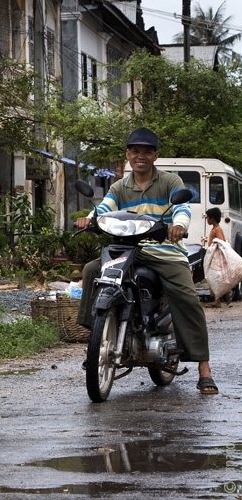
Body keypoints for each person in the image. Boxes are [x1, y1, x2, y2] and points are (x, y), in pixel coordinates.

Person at [75, 128, 219, 395]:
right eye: (135, 151)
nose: (140, 156)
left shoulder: (170, 182)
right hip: (128, 248)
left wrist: (178, 225)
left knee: (187, 297)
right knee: (92, 269)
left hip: (164, 251)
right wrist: (89, 219)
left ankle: (204, 369)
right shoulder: (120, 186)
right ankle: (94, 340)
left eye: (147, 152)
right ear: (128, 155)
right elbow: (104, 208)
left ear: (155, 155)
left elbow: (182, 209)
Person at [205, 207, 233, 308]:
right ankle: (224, 295)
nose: (207, 220)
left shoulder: (217, 230)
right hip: (214, 257)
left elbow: (221, 242)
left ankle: (222, 296)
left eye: (208, 218)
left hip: (217, 258)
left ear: (212, 218)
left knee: (215, 278)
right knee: (217, 277)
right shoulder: (215, 229)